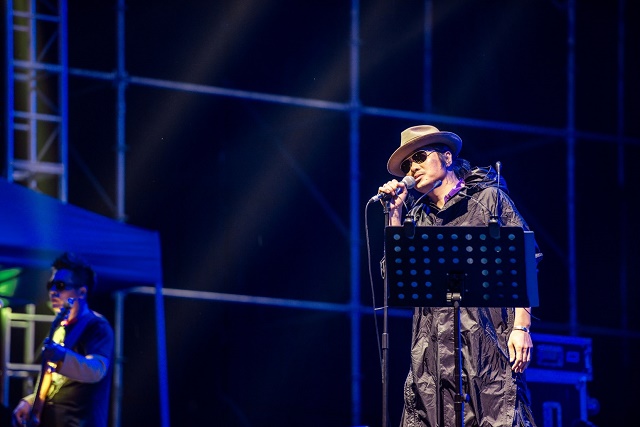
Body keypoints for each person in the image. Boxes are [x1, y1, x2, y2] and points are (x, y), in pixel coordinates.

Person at [378, 125, 542, 427]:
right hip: (432, 347)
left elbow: (524, 259)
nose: (413, 168)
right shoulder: (417, 218)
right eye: (407, 164)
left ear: (447, 157)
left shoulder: (488, 199)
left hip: (485, 340)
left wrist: (522, 326)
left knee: (495, 414)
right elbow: (396, 276)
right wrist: (395, 215)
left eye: (420, 157)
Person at [12, 252, 114, 427]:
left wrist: (60, 356)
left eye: (60, 285)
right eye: (50, 285)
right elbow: (55, 381)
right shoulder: (61, 328)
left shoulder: (97, 326)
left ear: (82, 292)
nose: (52, 291)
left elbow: (96, 370)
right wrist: (31, 401)